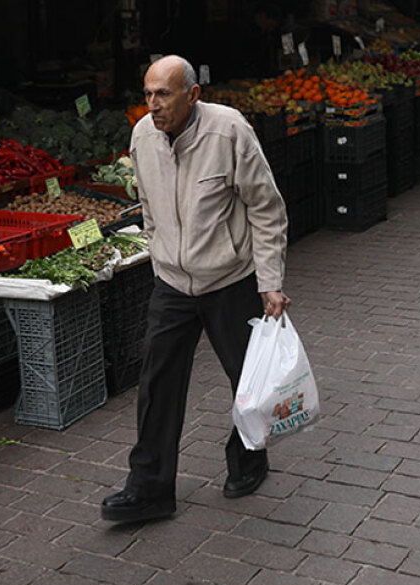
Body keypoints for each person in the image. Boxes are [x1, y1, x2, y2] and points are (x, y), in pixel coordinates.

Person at [101, 55, 290, 524]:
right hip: (172, 282)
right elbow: (146, 201)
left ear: (193, 94)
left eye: (163, 94)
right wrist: (159, 251)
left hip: (229, 278)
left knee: (247, 380)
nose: (153, 105)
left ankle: (249, 459)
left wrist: (270, 282)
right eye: (147, 94)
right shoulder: (142, 136)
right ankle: (149, 489)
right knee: (157, 384)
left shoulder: (228, 131)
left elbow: (266, 208)